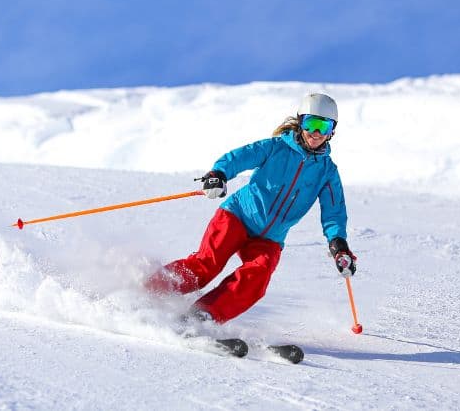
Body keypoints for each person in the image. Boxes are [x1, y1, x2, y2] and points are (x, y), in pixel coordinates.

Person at [145, 93, 356, 324]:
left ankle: (202, 316)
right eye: (311, 123)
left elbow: (333, 211)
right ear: (300, 122)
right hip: (237, 216)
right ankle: (148, 290)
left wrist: (338, 244)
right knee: (206, 266)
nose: (316, 133)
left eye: (323, 126)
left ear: (332, 131)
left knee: (257, 277)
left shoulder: (327, 172)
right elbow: (239, 157)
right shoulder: (275, 148)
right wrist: (218, 174)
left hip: (270, 238)